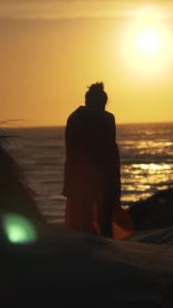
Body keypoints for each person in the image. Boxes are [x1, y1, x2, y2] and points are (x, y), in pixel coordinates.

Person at [62, 82, 133, 239]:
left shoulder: (74, 117)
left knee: (84, 225)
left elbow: (71, 151)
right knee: (102, 223)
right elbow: (110, 152)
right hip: (101, 177)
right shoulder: (107, 118)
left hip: (82, 177)